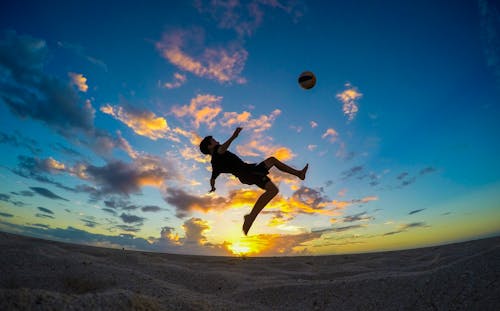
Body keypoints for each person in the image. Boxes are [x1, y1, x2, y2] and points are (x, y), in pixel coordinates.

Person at [199, 127, 308, 235]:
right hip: (248, 173)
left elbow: (212, 179)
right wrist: (233, 136)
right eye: (212, 140)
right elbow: (222, 149)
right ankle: (250, 218)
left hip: (248, 173)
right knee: (272, 187)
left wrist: (213, 188)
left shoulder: (214, 163)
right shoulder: (218, 152)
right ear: (210, 146)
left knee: (272, 166)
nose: (215, 140)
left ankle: (299, 173)